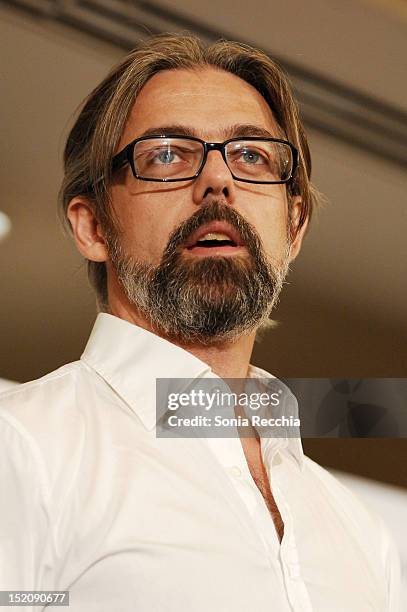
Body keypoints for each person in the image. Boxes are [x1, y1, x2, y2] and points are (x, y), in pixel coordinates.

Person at [0, 34, 401, 611]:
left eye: (252, 156)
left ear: (293, 229)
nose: (218, 181)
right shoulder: (26, 450)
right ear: (93, 227)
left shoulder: (362, 538)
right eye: (166, 154)